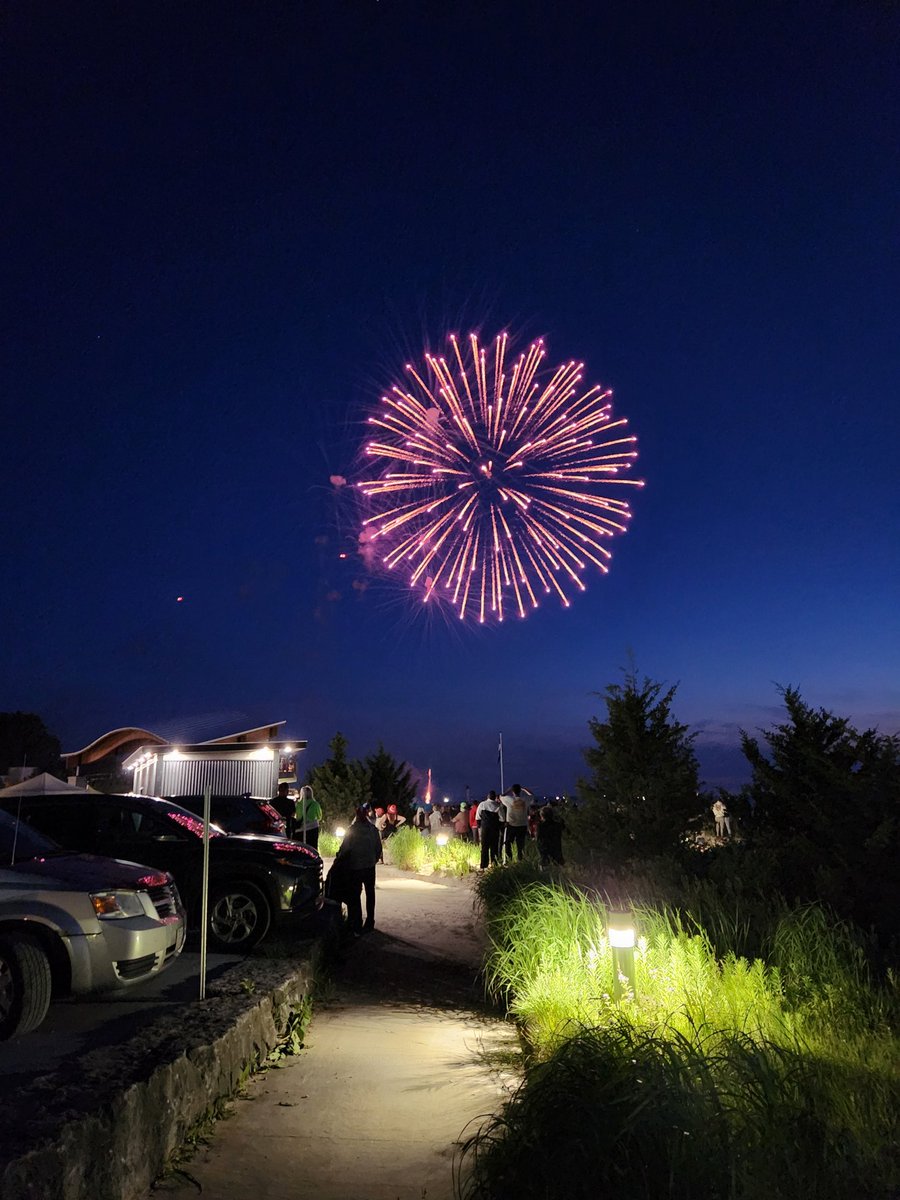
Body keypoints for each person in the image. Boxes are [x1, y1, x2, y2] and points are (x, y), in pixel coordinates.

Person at [333, 805, 383, 934]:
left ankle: (356, 922)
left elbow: (344, 849)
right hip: (370, 867)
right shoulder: (373, 830)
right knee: (370, 894)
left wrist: (338, 859)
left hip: (355, 867)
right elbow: (378, 849)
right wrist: (373, 860)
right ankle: (370, 921)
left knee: (355, 895)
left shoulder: (352, 830)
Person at [500, 783, 531, 862]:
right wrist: (524, 789)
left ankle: (509, 859)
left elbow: (501, 796)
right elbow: (532, 795)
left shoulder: (509, 799)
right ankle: (520, 860)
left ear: (512, 791)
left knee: (508, 843)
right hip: (522, 825)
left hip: (511, 825)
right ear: (520, 791)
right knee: (521, 844)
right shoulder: (525, 800)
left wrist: (509, 790)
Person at [476, 790, 504, 869]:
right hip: (495, 829)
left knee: (484, 847)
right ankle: (494, 863)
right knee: (494, 846)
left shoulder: (482, 804)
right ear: (495, 797)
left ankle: (484, 865)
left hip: (485, 828)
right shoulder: (498, 806)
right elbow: (502, 819)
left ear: (487, 796)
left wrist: (479, 826)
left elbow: (478, 817)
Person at [536, 802, 565, 867]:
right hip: (556, 851)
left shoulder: (540, 826)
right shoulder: (557, 825)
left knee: (545, 867)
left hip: (545, 850)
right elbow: (563, 827)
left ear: (542, 816)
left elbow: (538, 839)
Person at [293, 784, 322, 850]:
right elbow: (319, 816)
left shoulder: (298, 804)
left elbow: (295, 816)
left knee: (300, 847)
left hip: (300, 829)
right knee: (312, 847)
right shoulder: (315, 804)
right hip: (312, 829)